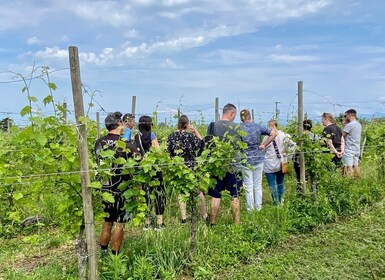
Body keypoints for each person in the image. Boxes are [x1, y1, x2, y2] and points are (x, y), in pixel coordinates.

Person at [95, 111, 138, 255]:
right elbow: (140, 162)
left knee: (107, 222)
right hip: (122, 189)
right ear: (119, 123)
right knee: (120, 223)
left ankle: (103, 252)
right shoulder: (125, 145)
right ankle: (115, 257)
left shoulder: (99, 142)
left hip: (105, 188)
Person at [167, 115, 208, 223]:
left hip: (178, 167)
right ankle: (204, 216)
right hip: (191, 166)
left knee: (182, 192)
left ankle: (184, 218)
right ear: (187, 124)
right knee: (198, 192)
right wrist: (195, 131)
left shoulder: (172, 136)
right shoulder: (190, 136)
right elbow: (202, 143)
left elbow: (168, 152)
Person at [206, 103, 243, 226]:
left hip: (217, 166)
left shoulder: (212, 126)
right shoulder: (237, 127)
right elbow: (240, 146)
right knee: (235, 196)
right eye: (235, 115)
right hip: (234, 166)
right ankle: (236, 224)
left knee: (215, 196)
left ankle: (212, 223)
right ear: (231, 113)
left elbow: (208, 145)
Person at [240, 109, 276, 211]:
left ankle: (250, 209)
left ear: (242, 118)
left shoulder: (239, 128)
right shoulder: (258, 126)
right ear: (250, 116)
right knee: (257, 185)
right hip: (258, 159)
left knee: (248, 186)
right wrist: (264, 145)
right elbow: (274, 134)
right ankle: (258, 207)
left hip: (246, 160)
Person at [134, 115, 166, 230]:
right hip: (154, 169)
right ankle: (159, 223)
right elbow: (158, 152)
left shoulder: (136, 136)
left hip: (143, 170)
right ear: (148, 124)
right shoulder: (152, 135)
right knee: (158, 194)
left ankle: (147, 223)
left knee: (145, 194)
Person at [263, 120, 295, 205]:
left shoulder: (267, 137)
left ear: (269, 126)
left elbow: (263, 150)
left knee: (272, 185)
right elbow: (293, 145)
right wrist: (288, 155)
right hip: (282, 162)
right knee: (280, 183)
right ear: (277, 125)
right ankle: (281, 201)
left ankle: (275, 202)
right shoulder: (284, 135)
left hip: (269, 164)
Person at [293, 119, 319, 193]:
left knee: (300, 178)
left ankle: (301, 193)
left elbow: (296, 147)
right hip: (311, 160)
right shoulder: (315, 136)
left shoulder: (300, 136)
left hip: (299, 161)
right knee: (313, 178)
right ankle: (314, 193)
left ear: (302, 127)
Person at [342, 109, 362, 177]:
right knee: (356, 165)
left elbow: (342, 136)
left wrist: (344, 125)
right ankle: (359, 180)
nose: (345, 117)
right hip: (357, 148)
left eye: (346, 115)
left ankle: (351, 182)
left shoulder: (349, 125)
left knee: (349, 167)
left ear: (349, 115)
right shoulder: (359, 124)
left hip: (349, 149)